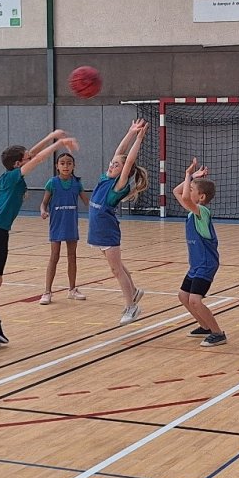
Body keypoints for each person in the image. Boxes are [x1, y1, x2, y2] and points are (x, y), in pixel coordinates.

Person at [0, 129, 79, 349]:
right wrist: (58, 144)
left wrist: (53, 136)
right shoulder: (12, 177)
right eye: (25, 158)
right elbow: (38, 159)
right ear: (17, 164)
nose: (29, 157)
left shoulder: (12, 173)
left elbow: (32, 154)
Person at [88, 118, 149, 326]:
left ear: (124, 171)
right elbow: (120, 152)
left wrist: (138, 139)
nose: (112, 165)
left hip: (107, 231)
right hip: (97, 230)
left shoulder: (118, 185)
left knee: (116, 270)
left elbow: (128, 160)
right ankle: (134, 291)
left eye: (117, 165)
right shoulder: (105, 177)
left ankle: (132, 307)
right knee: (118, 266)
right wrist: (130, 132)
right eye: (112, 163)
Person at [173, 158, 226, 347]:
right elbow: (177, 192)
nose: (187, 191)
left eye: (191, 189)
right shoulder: (191, 213)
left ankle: (218, 333)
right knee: (183, 296)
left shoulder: (202, 211)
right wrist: (192, 177)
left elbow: (185, 198)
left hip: (206, 264)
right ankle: (205, 326)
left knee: (195, 300)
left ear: (201, 197)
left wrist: (188, 175)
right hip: (196, 264)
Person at [39, 153, 91, 305]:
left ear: (73, 166)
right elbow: (43, 203)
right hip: (56, 224)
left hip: (71, 224)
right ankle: (47, 292)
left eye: (69, 163)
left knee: (72, 256)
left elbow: (88, 202)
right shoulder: (52, 183)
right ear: (57, 166)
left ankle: (72, 289)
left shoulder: (77, 184)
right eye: (62, 163)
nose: (66, 166)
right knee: (54, 256)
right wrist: (43, 211)